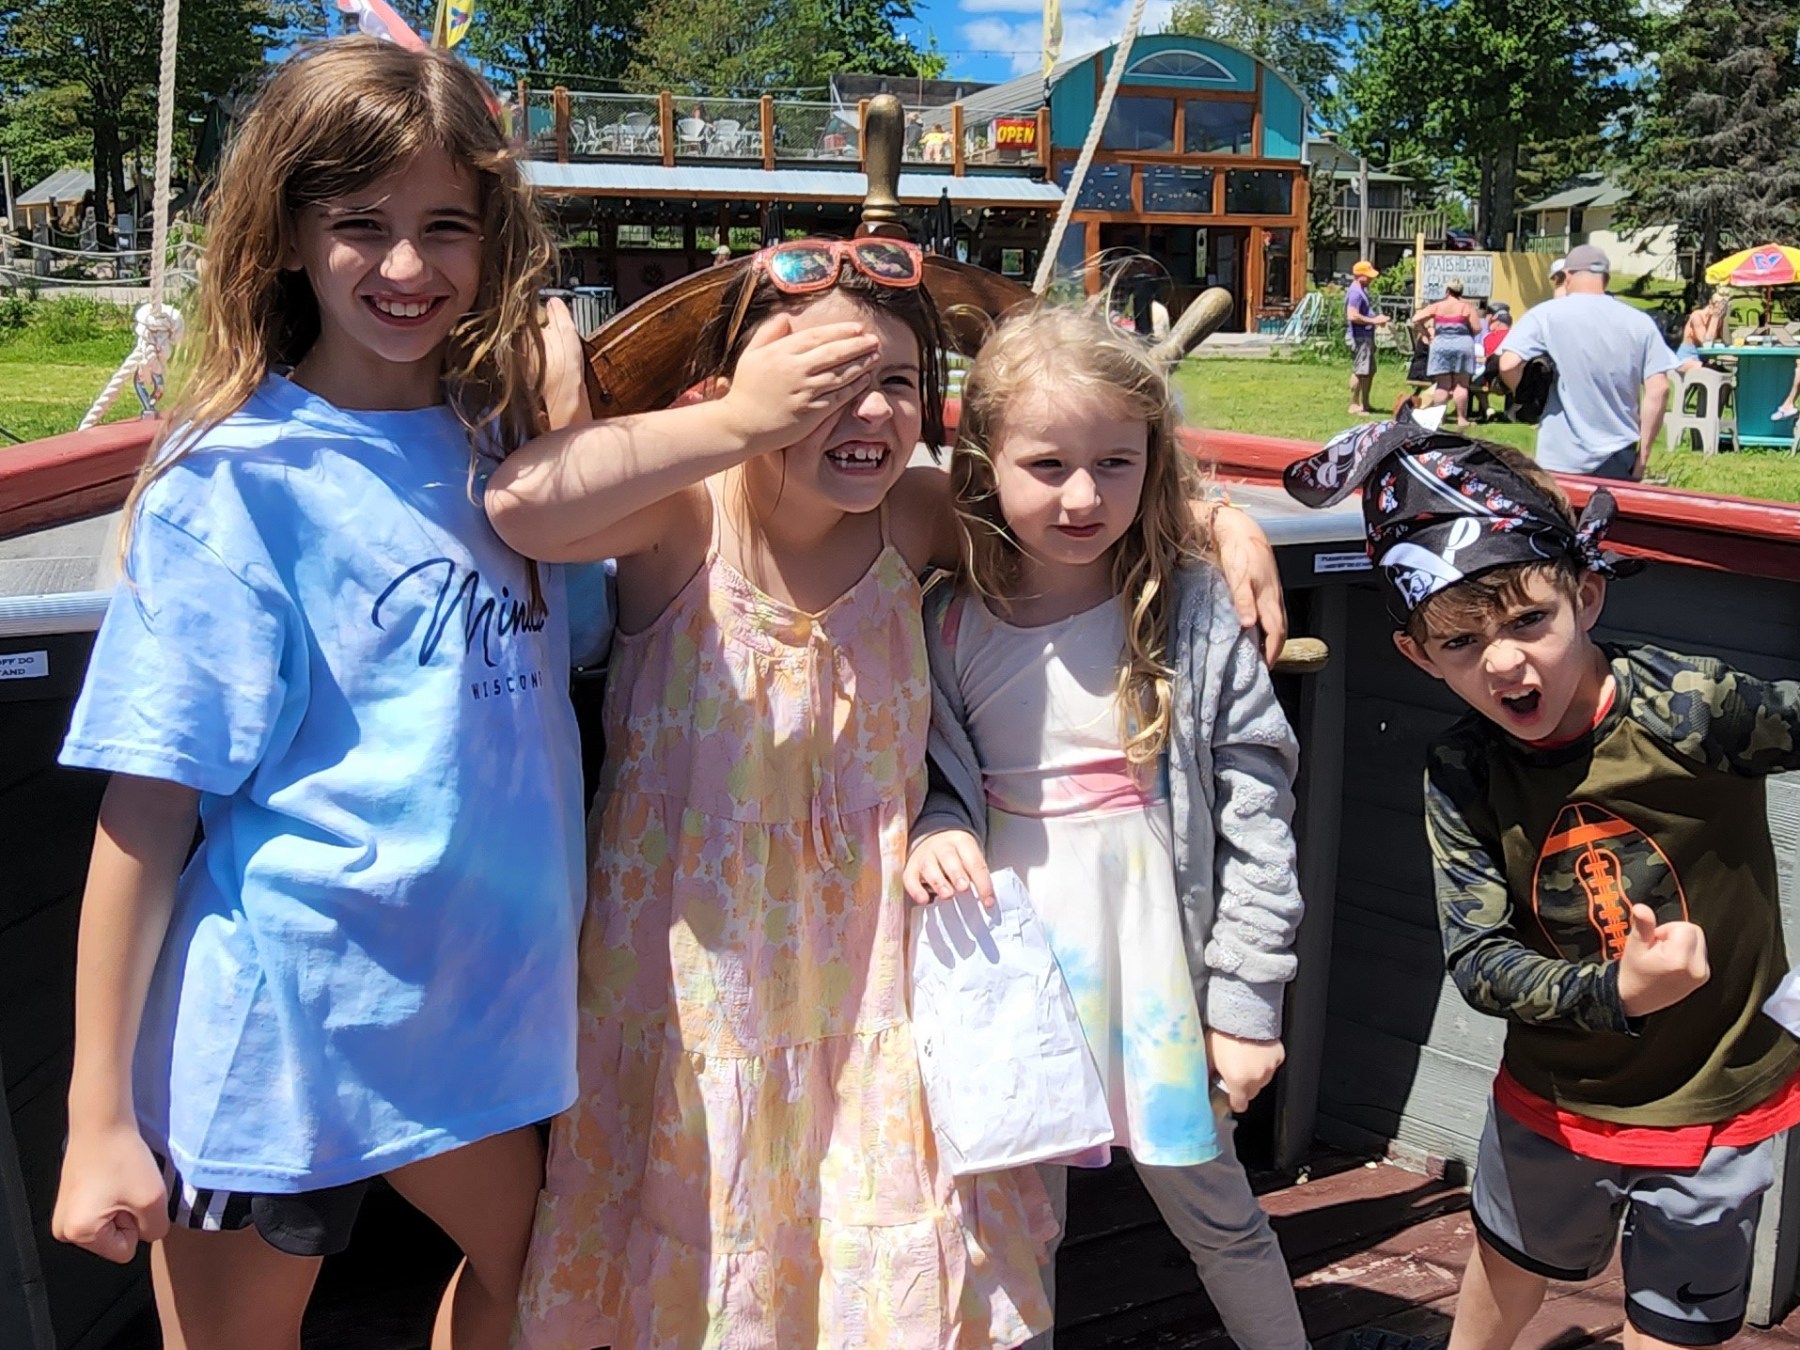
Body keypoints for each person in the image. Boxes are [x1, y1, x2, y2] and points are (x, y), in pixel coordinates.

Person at [485, 239, 1289, 1348]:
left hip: (880, 984)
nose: (866, 410)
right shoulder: (686, 520)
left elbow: (1073, 502)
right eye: (820, 380)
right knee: (714, 1255)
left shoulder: (910, 518)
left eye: (897, 383)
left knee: (890, 1261)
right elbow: (522, 506)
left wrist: (1219, 519)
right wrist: (739, 424)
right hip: (703, 997)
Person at [49, 39, 593, 1349]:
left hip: (472, 1022)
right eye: (360, 223)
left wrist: (566, 384)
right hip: (278, 1036)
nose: (407, 266)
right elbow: (146, 813)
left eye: (446, 225)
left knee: (554, 1287)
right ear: (290, 235)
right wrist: (97, 1114)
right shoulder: (234, 485)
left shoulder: (516, 460)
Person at [1285, 418, 1800, 1350]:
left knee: (1676, 1324)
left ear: (1585, 594)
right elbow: (1479, 961)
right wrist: (1618, 990)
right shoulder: (1465, 770)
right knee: (1507, 1271)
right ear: (1416, 654)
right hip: (1554, 1100)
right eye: (1460, 641)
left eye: (1530, 620)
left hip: (1721, 1101)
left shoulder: (1691, 708)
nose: (1504, 662)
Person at [905, 306, 1307, 1350]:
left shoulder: (1193, 610)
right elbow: (936, 779)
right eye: (1047, 465)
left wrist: (1247, 1005)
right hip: (1017, 973)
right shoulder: (946, 619)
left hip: (1159, 968)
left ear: (1152, 462)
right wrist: (937, 826)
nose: (1083, 497)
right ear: (984, 464)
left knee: (1217, 1212)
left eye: (1114, 464)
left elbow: (1259, 819)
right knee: (1011, 1232)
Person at [1498, 244, 1677, 480]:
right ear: (1606, 279)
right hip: (1618, 455)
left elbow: (1508, 364)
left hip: (1560, 454)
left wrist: (1528, 399)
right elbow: (1660, 389)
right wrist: (1642, 460)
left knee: (1560, 505)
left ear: (1568, 276)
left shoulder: (1545, 315)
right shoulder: (1640, 322)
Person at [1411, 278, 1480, 427]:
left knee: (1442, 385)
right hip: (1463, 345)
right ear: (1461, 292)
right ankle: (1461, 419)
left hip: (1441, 345)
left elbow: (1416, 319)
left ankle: (1439, 418)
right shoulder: (1466, 307)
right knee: (1461, 385)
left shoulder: (1437, 306)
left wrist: (1426, 333)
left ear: (1447, 291)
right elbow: (1477, 328)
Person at [1347, 259, 1390, 414]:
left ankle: (1365, 403)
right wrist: (1374, 321)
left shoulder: (1362, 290)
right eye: (1369, 275)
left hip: (1366, 336)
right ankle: (1354, 404)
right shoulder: (1355, 293)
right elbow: (1352, 315)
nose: (1372, 278)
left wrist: (1375, 321)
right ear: (1361, 276)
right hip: (1359, 337)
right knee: (1360, 371)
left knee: (1368, 371)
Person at [1470, 303, 1512, 420]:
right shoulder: (1515, 335)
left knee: (1475, 381)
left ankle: (1486, 409)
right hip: (1511, 376)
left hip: (1493, 377)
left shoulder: (1489, 337)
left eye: (1492, 321)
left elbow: (1486, 357)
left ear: (1498, 323)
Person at [1676, 291, 1729, 370]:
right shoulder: (1697, 316)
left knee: (1723, 370)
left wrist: (1725, 318)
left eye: (1724, 306)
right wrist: (1715, 317)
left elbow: (1728, 342)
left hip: (1703, 360)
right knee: (1714, 370)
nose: (1721, 309)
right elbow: (1706, 343)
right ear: (1710, 303)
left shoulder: (1718, 319)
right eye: (1719, 305)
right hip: (1687, 359)